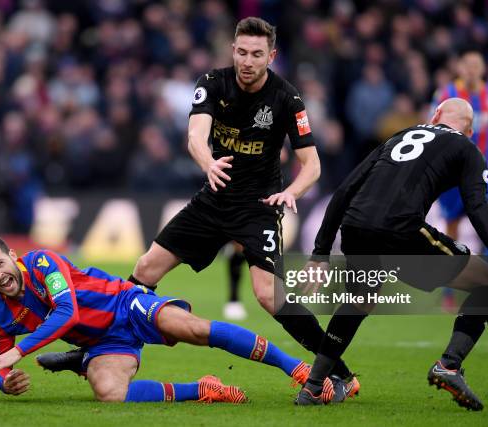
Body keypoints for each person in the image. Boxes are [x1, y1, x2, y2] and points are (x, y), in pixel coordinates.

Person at [124, 16, 357, 395]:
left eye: (257, 54)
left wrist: (291, 193)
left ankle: (339, 371)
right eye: (242, 52)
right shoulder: (213, 83)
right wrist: (208, 163)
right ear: (233, 50)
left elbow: (312, 164)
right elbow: (195, 135)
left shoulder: (287, 99)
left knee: (268, 295)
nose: (248, 61)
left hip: (258, 206)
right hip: (214, 197)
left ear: (272, 55)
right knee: (145, 268)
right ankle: (108, 344)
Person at [296, 98, 488, 409]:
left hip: (356, 226)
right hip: (401, 231)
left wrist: (320, 252)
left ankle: (312, 387)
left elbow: (345, 189)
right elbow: (478, 208)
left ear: (436, 116)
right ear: (469, 130)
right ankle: (450, 364)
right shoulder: (468, 148)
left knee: (359, 300)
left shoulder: (398, 137)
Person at [0, 234, 325, 403]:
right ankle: (204, 389)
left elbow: (67, 311)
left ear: (12, 256)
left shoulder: (42, 263)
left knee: (193, 329)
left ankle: (298, 369)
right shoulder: (0, 317)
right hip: (104, 343)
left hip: (124, 304)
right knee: (110, 394)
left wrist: (21, 351)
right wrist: (3, 382)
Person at [432, 50, 488, 310]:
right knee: (452, 231)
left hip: (486, 173)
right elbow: (432, 131)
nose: (471, 69)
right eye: (466, 64)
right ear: (459, 67)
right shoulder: (445, 95)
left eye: (475, 65)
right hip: (452, 175)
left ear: (483, 69)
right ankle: (448, 294)